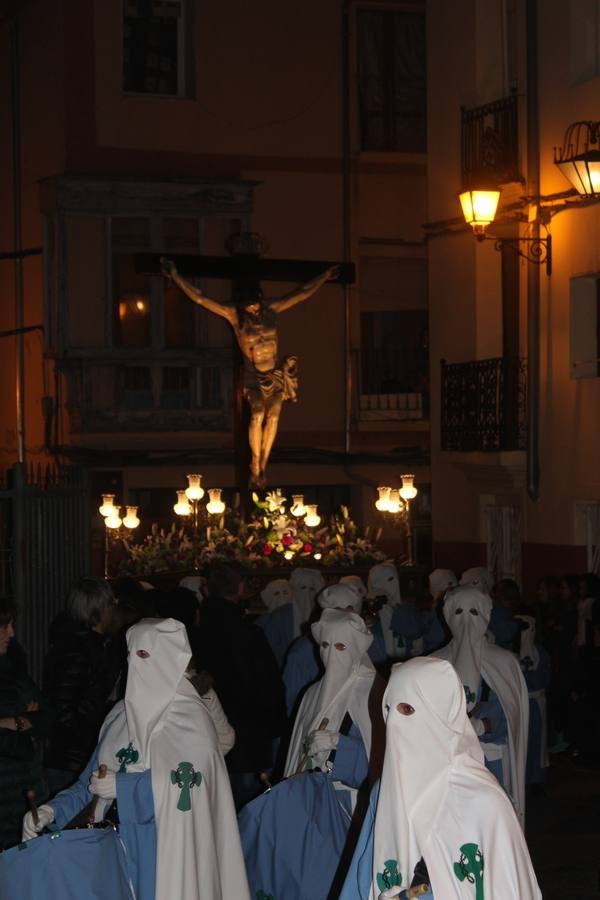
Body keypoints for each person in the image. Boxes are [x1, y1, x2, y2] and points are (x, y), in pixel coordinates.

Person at [22, 618, 250, 900]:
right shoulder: (119, 715)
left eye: (143, 654)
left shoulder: (191, 717)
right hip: (110, 854)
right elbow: (91, 784)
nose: (134, 664)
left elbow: (189, 785)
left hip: (163, 852)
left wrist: (125, 788)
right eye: (130, 654)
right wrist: (52, 811)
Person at [339, 657, 541, 899]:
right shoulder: (384, 791)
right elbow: (362, 876)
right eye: (388, 709)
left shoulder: (484, 801)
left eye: (407, 709)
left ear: (441, 713)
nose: (393, 722)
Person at [239, 609, 385, 900]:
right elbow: (296, 749)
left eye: (341, 647)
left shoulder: (374, 694)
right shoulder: (312, 693)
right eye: (325, 646)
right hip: (308, 806)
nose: (332, 655)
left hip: (349, 806)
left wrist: (340, 746)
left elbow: (380, 764)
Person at [162, 256, 339, 486]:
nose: (251, 309)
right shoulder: (234, 315)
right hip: (253, 377)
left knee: (273, 416)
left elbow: (301, 293)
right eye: (247, 305)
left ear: (260, 300)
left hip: (275, 376)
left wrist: (324, 276)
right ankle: (255, 461)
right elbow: (200, 298)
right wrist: (175, 276)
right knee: (257, 414)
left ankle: (263, 464)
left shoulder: (271, 311)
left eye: (254, 304)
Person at [433, 586, 529, 825]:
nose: (466, 621)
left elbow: (511, 714)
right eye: (458, 612)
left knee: (491, 823)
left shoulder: (503, 663)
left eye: (474, 612)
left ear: (486, 615)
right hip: (448, 762)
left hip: (492, 761)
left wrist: (484, 725)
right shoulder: (434, 662)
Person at [195, 564, 286, 808]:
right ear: (240, 589)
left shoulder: (195, 632)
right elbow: (269, 687)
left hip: (205, 733)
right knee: (248, 809)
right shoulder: (248, 633)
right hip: (249, 737)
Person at [43, 578, 123, 794]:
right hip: (73, 758)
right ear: (101, 609)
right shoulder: (78, 650)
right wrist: (91, 734)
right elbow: (63, 706)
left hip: (80, 753)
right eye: (111, 603)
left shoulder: (94, 646)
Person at [0, 598, 51, 849]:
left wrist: (13, 722)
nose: (11, 633)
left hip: (28, 794)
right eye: (4, 626)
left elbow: (47, 716)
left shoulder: (14, 666)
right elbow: (19, 744)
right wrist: (24, 725)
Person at [257, 567, 325, 667]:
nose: (306, 593)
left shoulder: (322, 615)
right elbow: (270, 649)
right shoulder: (279, 616)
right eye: (303, 588)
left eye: (312, 589)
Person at [514, 614, 550, 786]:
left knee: (536, 742)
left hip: (534, 702)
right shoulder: (511, 652)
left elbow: (543, 678)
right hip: (520, 703)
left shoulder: (540, 653)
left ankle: (536, 779)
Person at [368, 563, 421, 661]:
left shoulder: (405, 606)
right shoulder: (369, 607)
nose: (394, 585)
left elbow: (415, 635)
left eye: (393, 579)